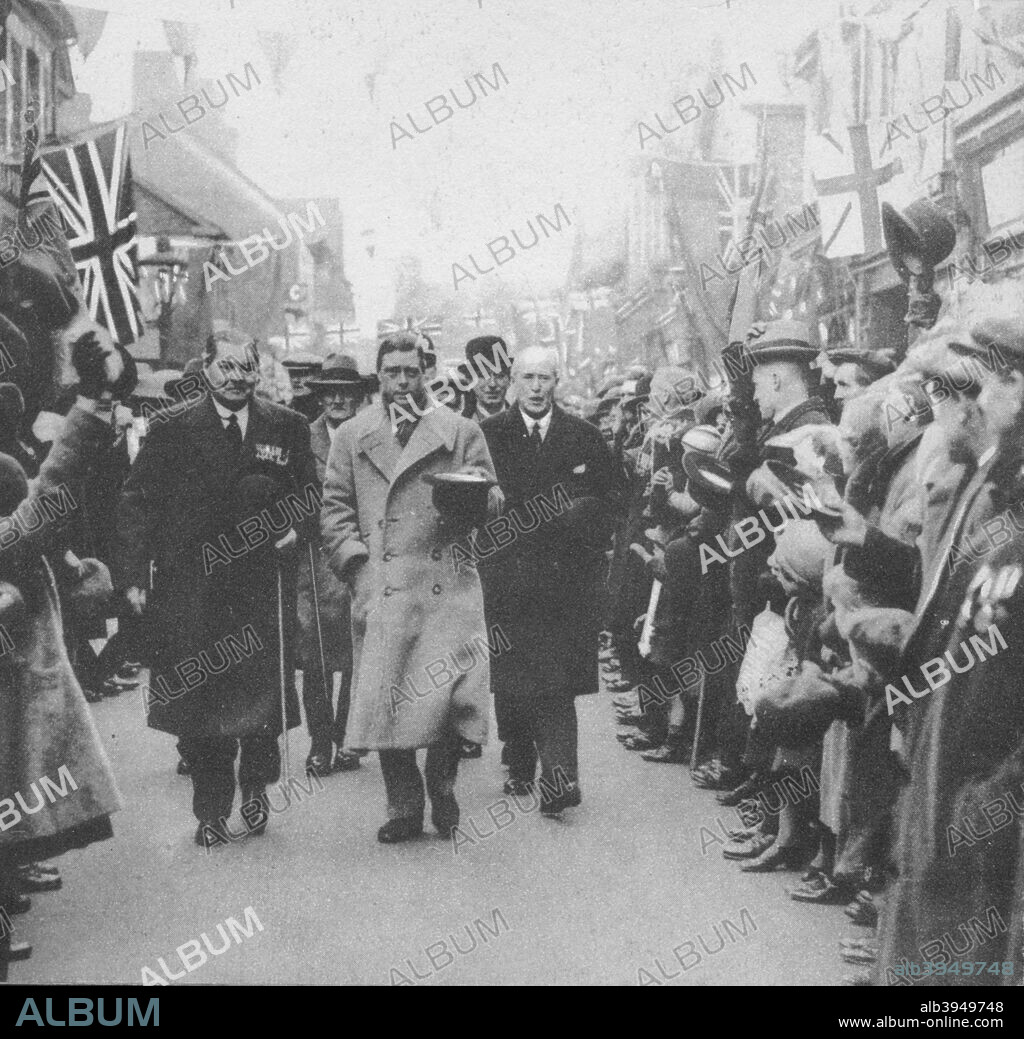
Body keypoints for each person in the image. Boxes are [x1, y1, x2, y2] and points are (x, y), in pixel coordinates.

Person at [115, 330, 315, 848]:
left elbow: (310, 496)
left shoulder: (286, 426)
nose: (236, 378)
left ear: (258, 371)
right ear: (205, 369)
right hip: (193, 591)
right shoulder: (172, 427)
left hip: (261, 587)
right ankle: (210, 811)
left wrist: (295, 528)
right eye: (225, 367)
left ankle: (256, 788)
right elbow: (138, 501)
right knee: (202, 707)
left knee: (261, 705)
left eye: (246, 367)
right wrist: (133, 575)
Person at [320, 331, 497, 843]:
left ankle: (443, 785)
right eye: (392, 372)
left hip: (447, 584)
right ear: (378, 376)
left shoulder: (460, 430)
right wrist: (358, 567)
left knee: (449, 697)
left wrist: (477, 500)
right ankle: (403, 805)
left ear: (427, 374)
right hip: (385, 585)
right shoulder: (352, 435)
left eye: (411, 371)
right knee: (389, 697)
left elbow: (491, 495)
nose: (402, 381)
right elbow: (335, 510)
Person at [480, 345, 623, 814]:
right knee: (513, 680)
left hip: (565, 581)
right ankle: (520, 759)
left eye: (545, 378)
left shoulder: (584, 436)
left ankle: (560, 779)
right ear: (514, 382)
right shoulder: (489, 435)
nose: (537, 387)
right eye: (528, 378)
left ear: (556, 382)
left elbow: (611, 500)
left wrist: (584, 518)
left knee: (556, 684)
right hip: (508, 577)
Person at [299, 354, 371, 776]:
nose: (338, 400)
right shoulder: (302, 438)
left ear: (358, 397)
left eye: (346, 393)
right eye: (330, 393)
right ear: (320, 397)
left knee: (357, 650)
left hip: (360, 555)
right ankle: (319, 742)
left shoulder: (371, 436)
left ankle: (347, 739)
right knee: (317, 657)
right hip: (314, 559)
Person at [464, 335, 512, 424]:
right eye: (483, 376)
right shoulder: (456, 425)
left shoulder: (525, 421)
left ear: (509, 380)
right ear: (469, 381)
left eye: (499, 376)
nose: (492, 384)